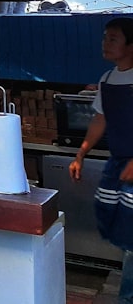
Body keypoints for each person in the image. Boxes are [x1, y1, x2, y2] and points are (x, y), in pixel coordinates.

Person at [70, 17, 133, 304]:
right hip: (119, 163)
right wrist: (81, 153)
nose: (105, 44)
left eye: (113, 39)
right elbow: (101, 118)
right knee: (117, 225)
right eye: (105, 38)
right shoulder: (107, 80)